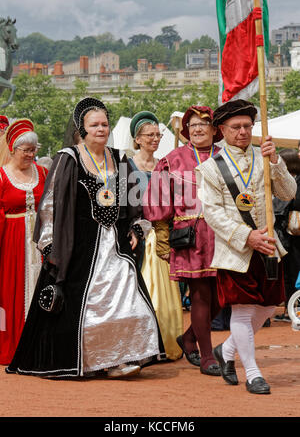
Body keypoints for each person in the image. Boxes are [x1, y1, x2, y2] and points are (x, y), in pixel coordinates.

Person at [6, 97, 165, 379]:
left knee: (128, 300)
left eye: (104, 123)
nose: (101, 129)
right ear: (82, 127)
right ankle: (94, 361)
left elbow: (133, 202)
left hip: (114, 245)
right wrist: (49, 243)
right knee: (87, 308)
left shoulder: (119, 158)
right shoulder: (69, 158)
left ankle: (120, 356)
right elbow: (52, 204)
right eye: (94, 125)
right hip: (78, 247)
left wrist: (137, 228)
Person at [196, 99, 297, 394]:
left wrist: (276, 163)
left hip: (268, 246)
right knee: (242, 312)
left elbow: (289, 193)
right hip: (235, 251)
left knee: (267, 308)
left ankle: (226, 351)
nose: (243, 131)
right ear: (222, 131)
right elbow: (213, 214)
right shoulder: (209, 169)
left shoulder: (264, 156)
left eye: (247, 126)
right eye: (236, 127)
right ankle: (253, 374)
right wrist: (246, 236)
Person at [144, 105, 223, 376]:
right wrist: (163, 241)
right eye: (193, 124)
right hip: (191, 237)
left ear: (215, 129)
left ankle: (189, 338)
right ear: (185, 130)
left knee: (223, 298)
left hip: (225, 236)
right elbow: (158, 202)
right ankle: (207, 356)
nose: (198, 128)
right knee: (200, 295)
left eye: (204, 123)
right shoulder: (172, 159)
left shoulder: (227, 157)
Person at [128, 111, 183, 361]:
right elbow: (123, 205)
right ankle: (144, 346)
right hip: (138, 237)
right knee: (142, 292)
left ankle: (167, 341)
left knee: (168, 295)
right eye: (150, 135)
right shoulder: (126, 166)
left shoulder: (165, 164)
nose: (156, 139)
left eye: (158, 134)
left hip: (164, 236)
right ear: (137, 139)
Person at [0, 119, 48, 364]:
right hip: (12, 243)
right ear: (13, 150)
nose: (31, 154)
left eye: (34, 149)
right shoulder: (2, 176)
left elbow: (51, 206)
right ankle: (15, 344)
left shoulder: (42, 172)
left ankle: (38, 344)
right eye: (26, 150)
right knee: (12, 291)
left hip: (40, 242)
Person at [273, 149, 300, 321]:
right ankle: (290, 309)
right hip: (289, 234)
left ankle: (291, 310)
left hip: (293, 235)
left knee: (292, 273)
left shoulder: (293, 181)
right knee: (290, 273)